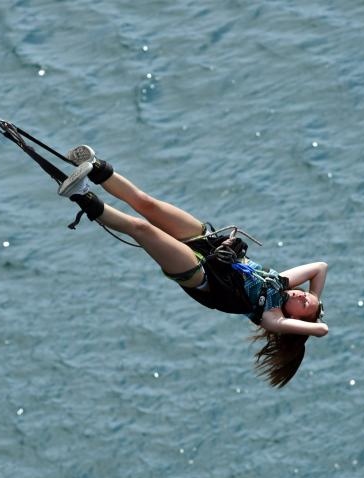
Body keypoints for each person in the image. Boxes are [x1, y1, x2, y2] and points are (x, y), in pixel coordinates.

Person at [58, 145, 329, 388]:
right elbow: (320, 266)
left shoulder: (271, 316)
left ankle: (82, 195)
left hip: (200, 274)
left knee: (141, 229)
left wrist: (312, 316)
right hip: (208, 242)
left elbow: (321, 329)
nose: (303, 295)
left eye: (304, 304)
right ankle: (95, 166)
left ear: (294, 319)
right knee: (147, 204)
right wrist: (315, 297)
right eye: (306, 294)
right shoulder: (282, 281)